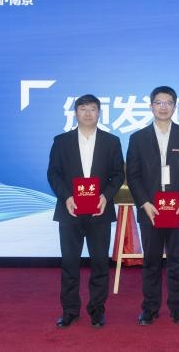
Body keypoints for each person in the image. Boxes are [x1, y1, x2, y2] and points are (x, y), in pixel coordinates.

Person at [47, 94, 125, 329]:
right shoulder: (61, 141)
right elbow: (54, 174)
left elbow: (118, 175)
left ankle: (97, 310)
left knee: (100, 263)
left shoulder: (111, 142)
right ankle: (70, 310)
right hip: (70, 211)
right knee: (70, 263)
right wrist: (67, 197)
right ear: (75, 113)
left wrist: (105, 196)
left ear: (99, 113)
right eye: (83, 109)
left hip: (99, 211)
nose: (88, 113)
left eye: (92, 109)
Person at [126, 86, 179, 326]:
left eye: (168, 102)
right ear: (151, 106)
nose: (163, 107)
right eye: (158, 102)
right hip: (151, 209)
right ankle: (149, 308)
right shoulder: (138, 138)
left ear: (175, 106)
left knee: (177, 259)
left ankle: (178, 308)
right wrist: (144, 203)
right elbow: (133, 175)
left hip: (178, 209)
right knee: (151, 260)